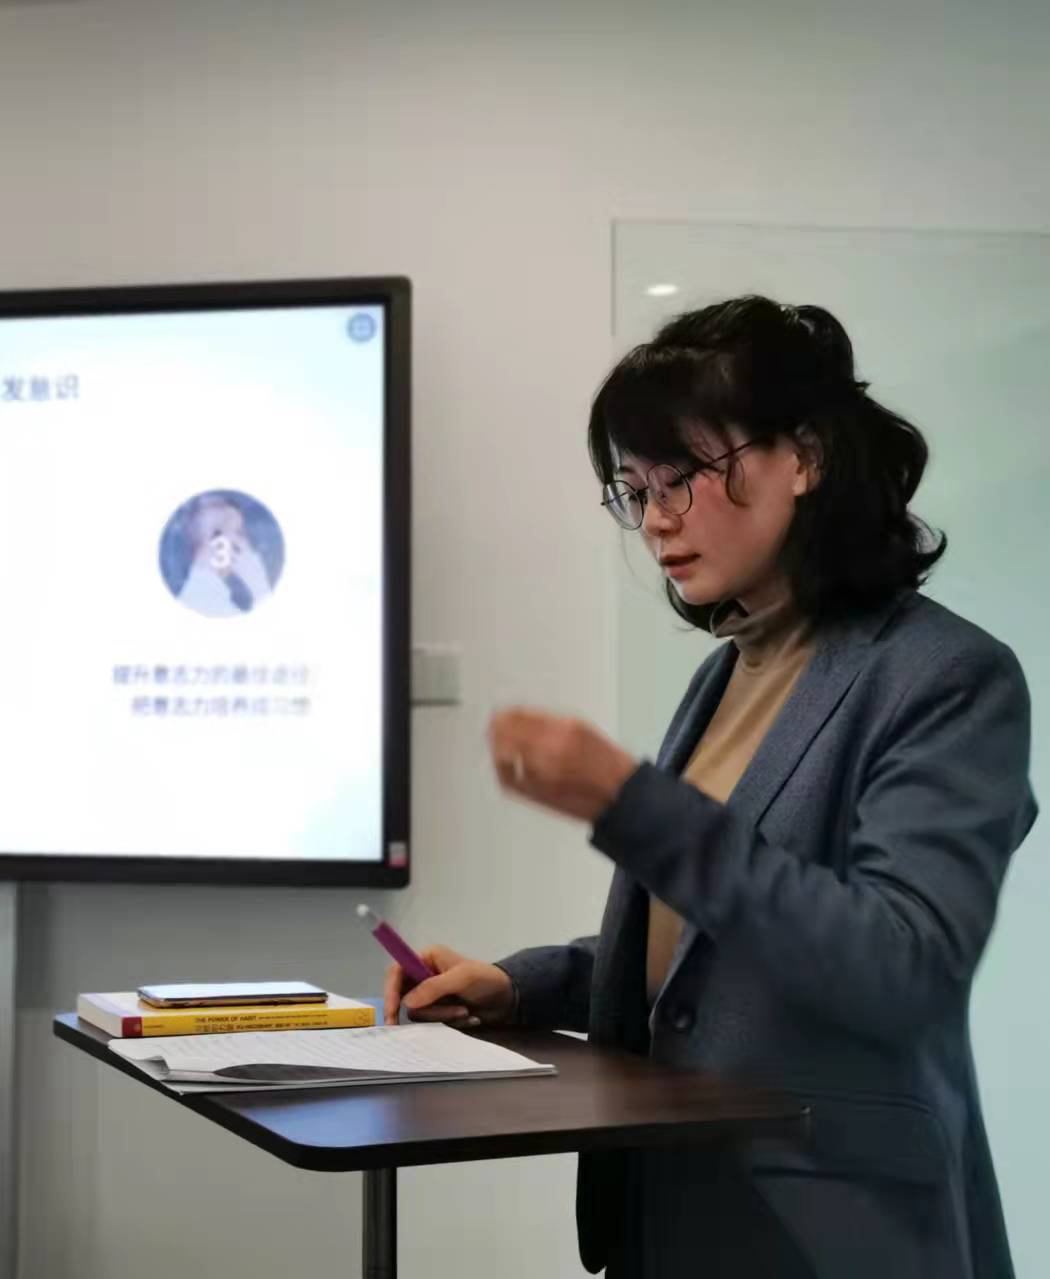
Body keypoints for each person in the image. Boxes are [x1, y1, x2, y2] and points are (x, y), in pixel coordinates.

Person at [383, 297, 1035, 1278]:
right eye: (633, 489)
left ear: (804, 457)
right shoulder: (726, 669)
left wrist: (626, 801)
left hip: (834, 1233)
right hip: (676, 1208)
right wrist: (519, 985)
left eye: (681, 477)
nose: (654, 520)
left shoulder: (946, 675)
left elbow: (899, 965)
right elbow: (709, 950)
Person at [175, 493, 275, 617]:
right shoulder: (210, 606)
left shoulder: (195, 595)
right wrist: (258, 583)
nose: (246, 542)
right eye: (239, 533)